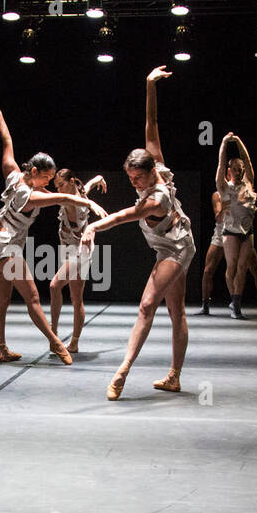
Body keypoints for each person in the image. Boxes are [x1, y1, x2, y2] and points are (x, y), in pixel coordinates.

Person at [81, 66, 195, 399]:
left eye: (136, 179)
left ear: (149, 173)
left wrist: (93, 225)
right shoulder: (155, 162)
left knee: (147, 305)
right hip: (171, 243)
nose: (134, 184)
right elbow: (152, 124)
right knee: (176, 310)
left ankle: (122, 371)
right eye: (130, 178)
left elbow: (122, 216)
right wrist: (148, 84)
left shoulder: (155, 199)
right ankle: (174, 377)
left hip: (176, 249)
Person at [0, 103, 106, 364]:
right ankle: (57, 343)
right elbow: (61, 196)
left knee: (2, 301)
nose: (49, 182)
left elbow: (7, 142)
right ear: (35, 172)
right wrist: (90, 203)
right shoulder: (30, 196)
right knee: (33, 297)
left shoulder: (14, 175)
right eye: (47, 177)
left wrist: (0, 115)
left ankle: (3, 349)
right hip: (6, 248)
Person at [49, 169, 107, 353]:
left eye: (61, 185)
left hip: (81, 250)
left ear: (72, 181)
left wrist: (92, 200)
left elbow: (83, 190)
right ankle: (73, 343)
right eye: (56, 186)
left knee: (54, 286)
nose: (58, 190)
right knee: (76, 298)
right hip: (68, 247)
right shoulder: (77, 195)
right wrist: (99, 180)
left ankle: (53, 333)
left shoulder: (74, 197)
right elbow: (90, 183)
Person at [217, 134, 257, 318]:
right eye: (235, 169)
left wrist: (240, 142)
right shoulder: (224, 187)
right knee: (232, 267)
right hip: (231, 232)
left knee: (243, 268)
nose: (239, 171)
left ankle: (237, 304)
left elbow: (248, 161)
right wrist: (225, 143)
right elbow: (220, 163)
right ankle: (234, 301)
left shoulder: (249, 183)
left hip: (247, 232)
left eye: (240, 169)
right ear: (229, 170)